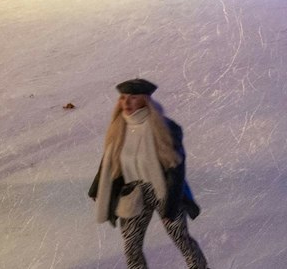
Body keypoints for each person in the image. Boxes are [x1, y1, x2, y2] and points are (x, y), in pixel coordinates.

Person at [89, 78, 209, 269]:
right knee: (131, 243)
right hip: (133, 192)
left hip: (163, 190)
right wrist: (96, 188)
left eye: (133, 97)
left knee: (180, 237)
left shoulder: (166, 128)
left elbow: (176, 170)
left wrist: (171, 204)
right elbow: (109, 161)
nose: (126, 103)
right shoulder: (118, 128)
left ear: (145, 99)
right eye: (123, 98)